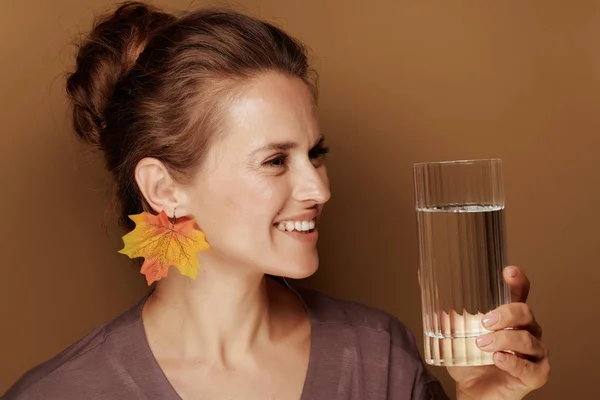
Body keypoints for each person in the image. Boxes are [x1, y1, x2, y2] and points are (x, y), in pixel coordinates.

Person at [2, 2, 550, 399]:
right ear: (165, 188)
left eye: (316, 152)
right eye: (274, 160)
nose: (319, 189)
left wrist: (488, 399)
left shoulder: (379, 357)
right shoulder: (61, 392)